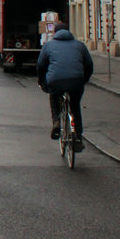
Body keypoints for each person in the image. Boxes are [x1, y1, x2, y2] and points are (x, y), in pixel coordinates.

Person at [36, 22, 93, 151]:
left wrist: (42, 82)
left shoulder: (49, 46)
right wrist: (84, 80)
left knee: (54, 98)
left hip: (55, 81)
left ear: (55, 33)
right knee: (75, 107)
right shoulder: (80, 45)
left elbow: (41, 66)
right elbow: (89, 65)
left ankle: (56, 121)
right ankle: (78, 137)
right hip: (76, 81)